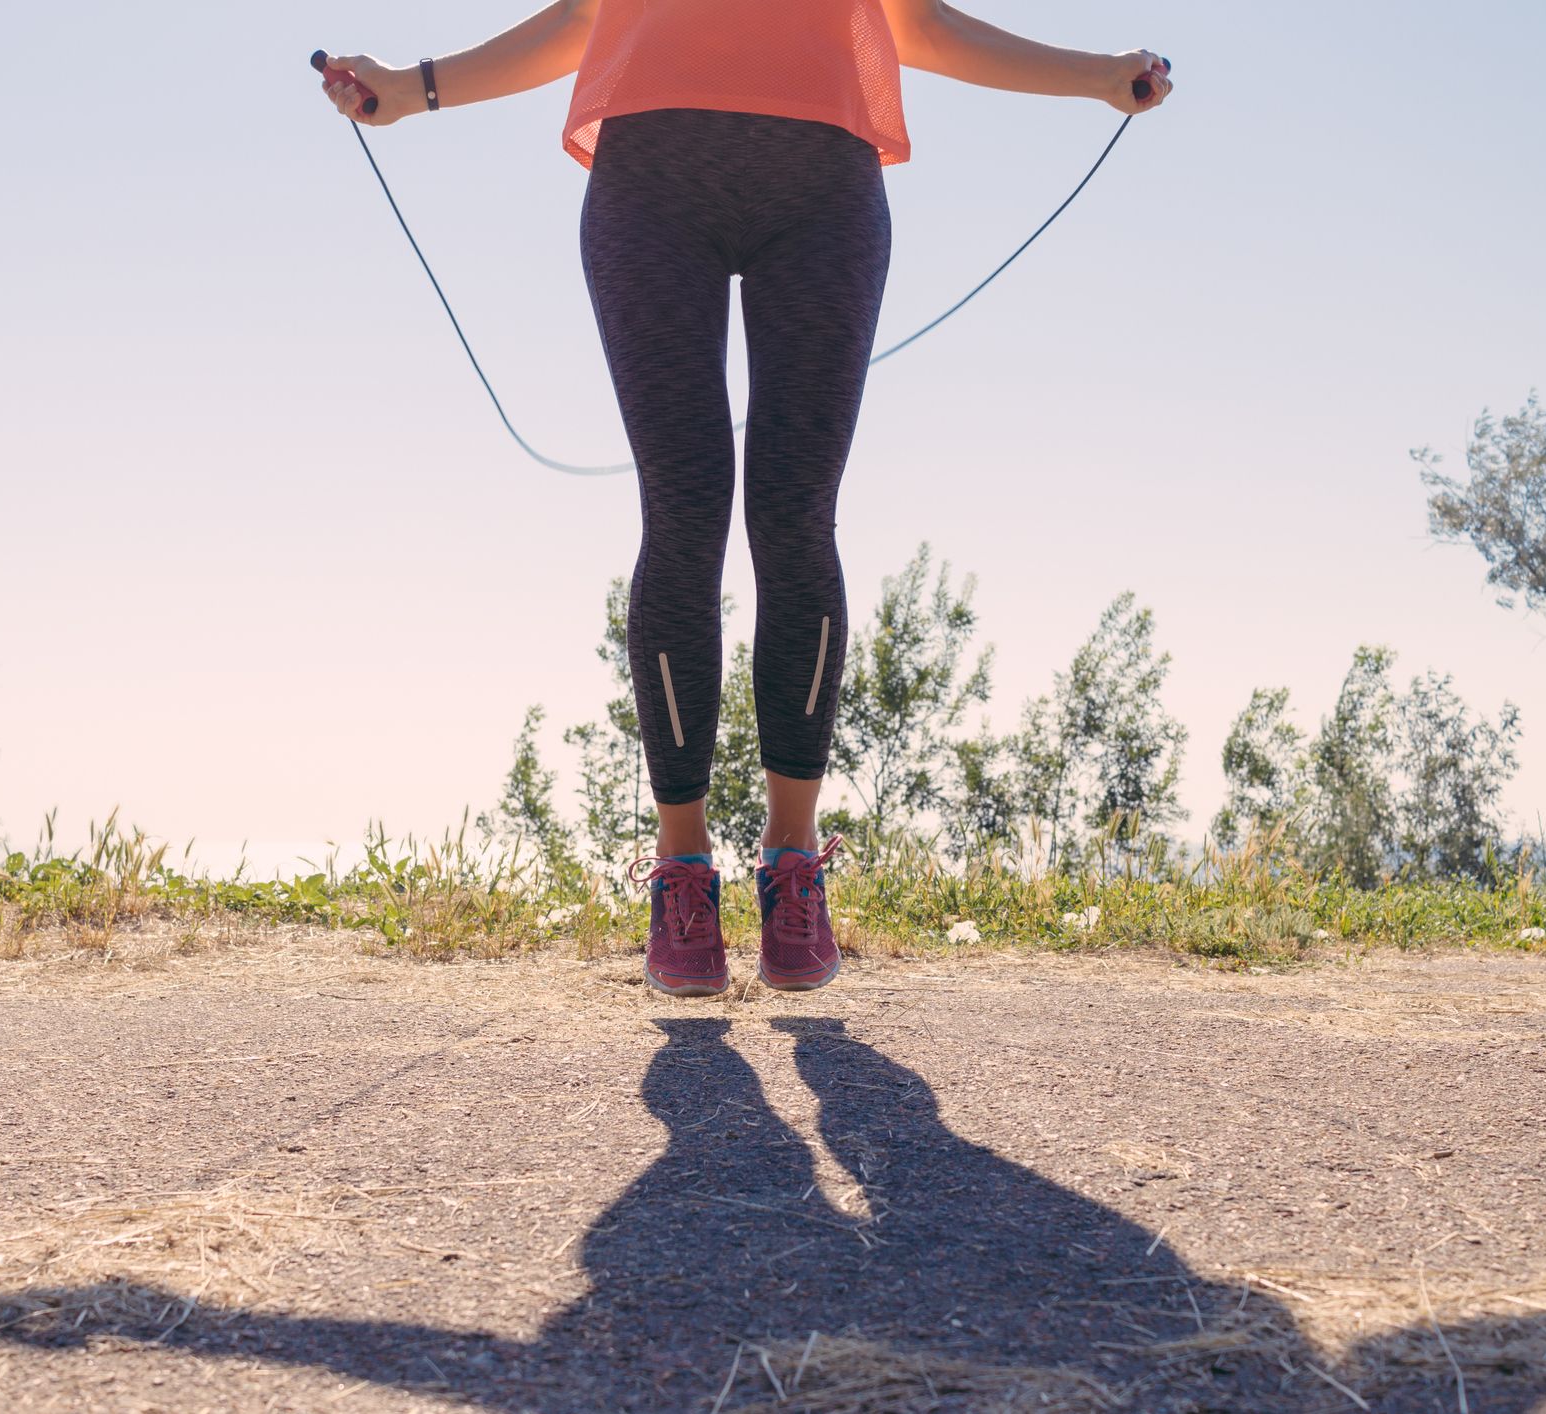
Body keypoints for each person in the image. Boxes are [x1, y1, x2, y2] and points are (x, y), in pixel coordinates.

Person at [321, 2, 1171, 998]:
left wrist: (1097, 74)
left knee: (794, 514)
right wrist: (414, 90)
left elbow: (920, 25)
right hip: (651, 183)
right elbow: (582, 21)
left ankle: (793, 862)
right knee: (683, 511)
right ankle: (683, 874)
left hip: (822, 190)